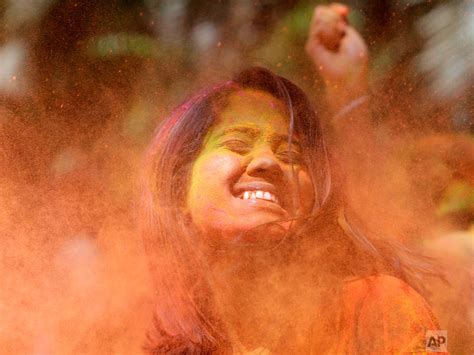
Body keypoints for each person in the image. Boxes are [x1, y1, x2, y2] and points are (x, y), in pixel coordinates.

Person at [140, 4, 442, 354]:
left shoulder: (386, 307)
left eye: (291, 155)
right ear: (177, 189)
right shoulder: (143, 324)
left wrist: (349, 96)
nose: (269, 162)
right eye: (238, 143)